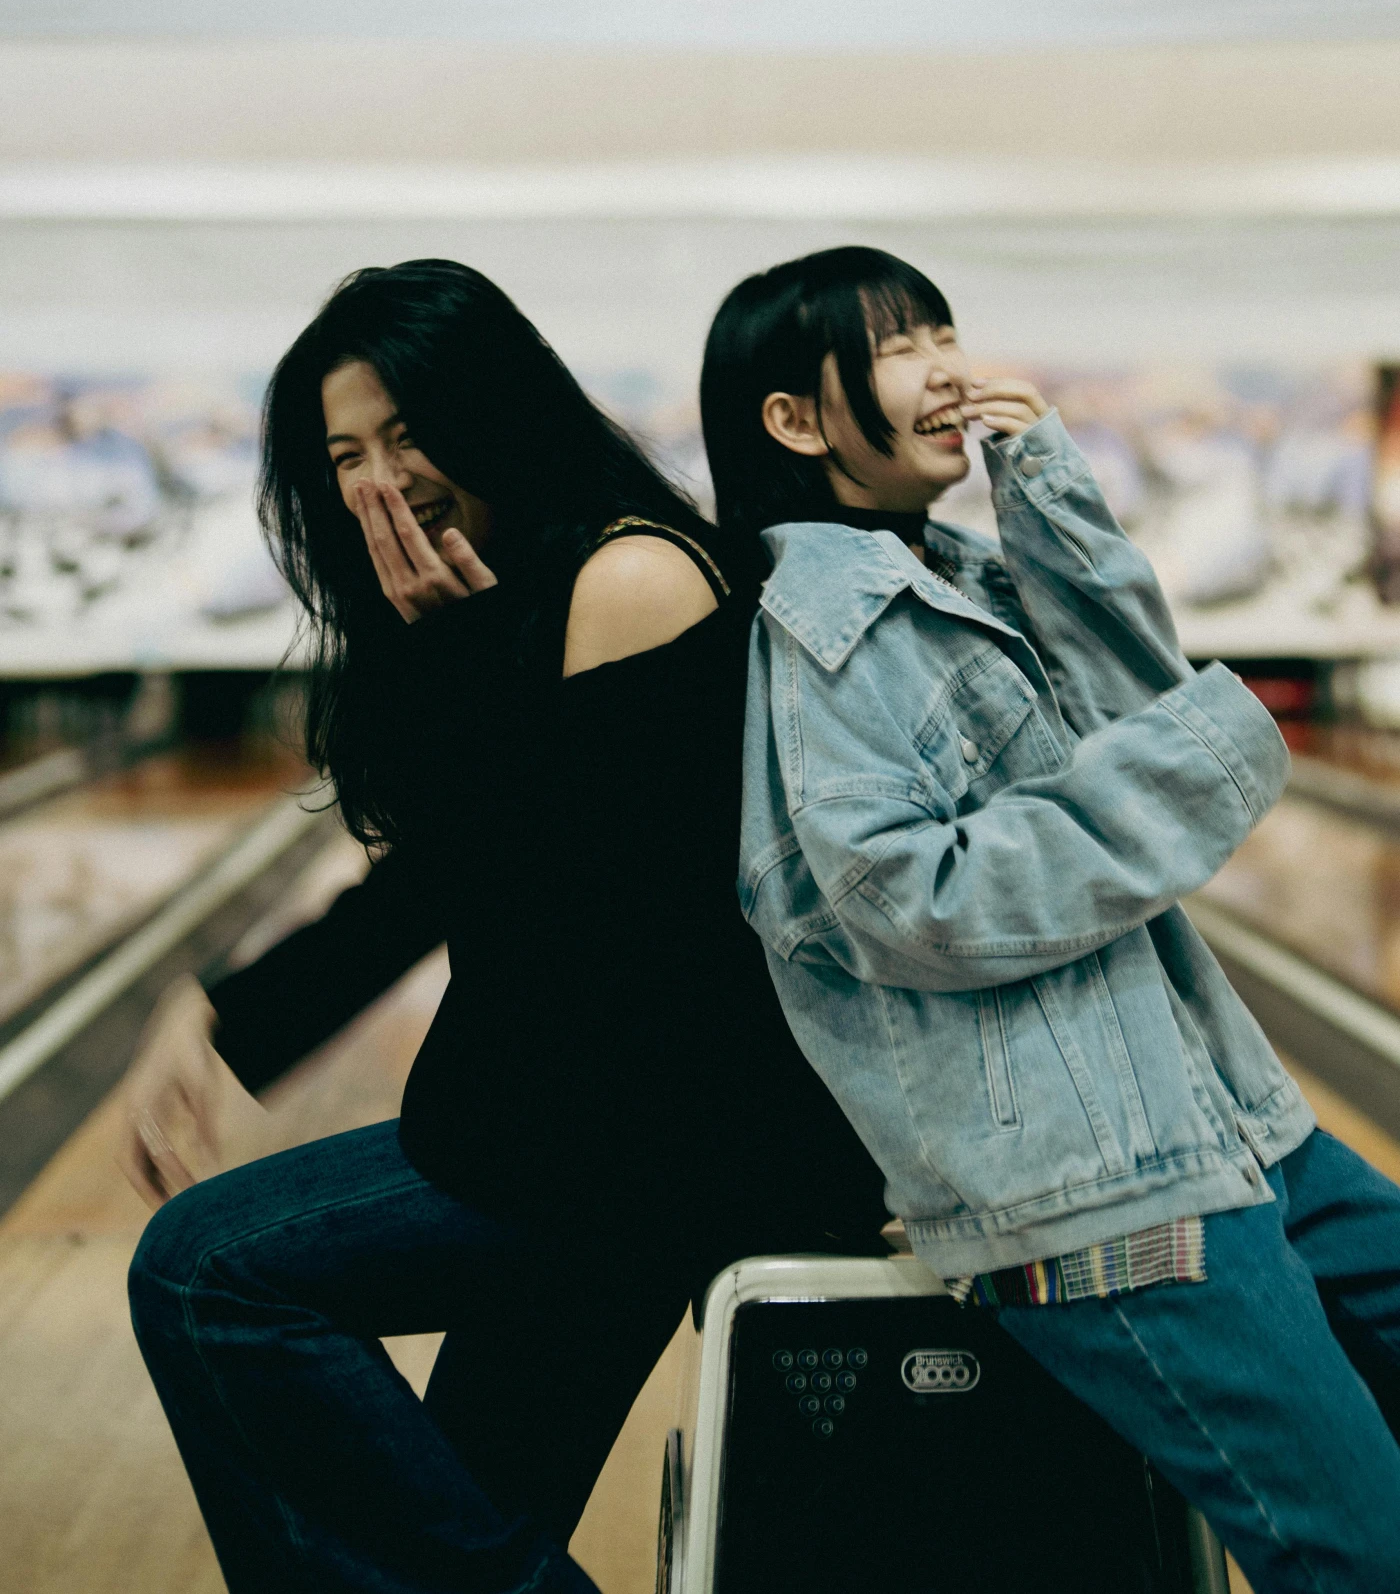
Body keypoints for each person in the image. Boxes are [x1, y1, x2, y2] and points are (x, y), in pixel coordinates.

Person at [698, 243, 1400, 1594]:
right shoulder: (826, 634)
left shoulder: (967, 576)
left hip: (1240, 1128)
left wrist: (1048, 497)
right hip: (1103, 1197)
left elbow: (1153, 705)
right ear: (795, 419)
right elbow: (909, 900)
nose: (944, 364)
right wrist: (1178, 774)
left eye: (941, 328)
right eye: (892, 344)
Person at [117, 258, 885, 1594]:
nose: (380, 476)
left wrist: (459, 676)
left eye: (407, 430)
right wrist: (224, 1011)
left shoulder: (633, 579)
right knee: (448, 1524)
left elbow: (583, 937)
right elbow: (461, 872)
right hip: (591, 1141)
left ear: (492, 405)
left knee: (204, 1271)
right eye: (344, 449)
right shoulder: (498, 608)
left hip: (666, 1145)